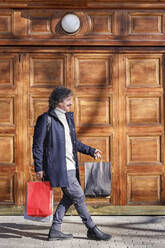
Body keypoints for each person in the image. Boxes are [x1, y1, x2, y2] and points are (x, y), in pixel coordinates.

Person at [32, 86, 111, 241]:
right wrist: (39, 167)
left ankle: (55, 229)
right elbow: (37, 145)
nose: (71, 103)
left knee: (69, 197)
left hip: (71, 165)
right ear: (58, 102)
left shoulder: (67, 117)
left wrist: (91, 150)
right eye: (68, 100)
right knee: (79, 196)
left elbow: (73, 143)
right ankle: (92, 229)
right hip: (59, 167)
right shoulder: (45, 119)